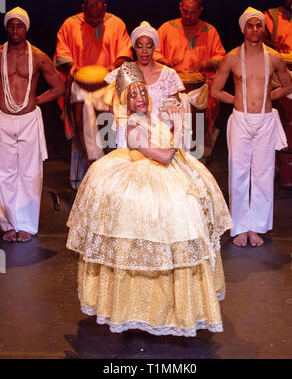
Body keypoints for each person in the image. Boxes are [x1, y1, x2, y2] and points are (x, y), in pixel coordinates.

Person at [66, 62, 232, 336]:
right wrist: (178, 125)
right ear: (125, 102)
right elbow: (166, 156)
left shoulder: (150, 120)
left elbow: (174, 149)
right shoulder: (132, 128)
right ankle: (141, 308)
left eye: (142, 92)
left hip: (168, 175)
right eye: (133, 95)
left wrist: (172, 122)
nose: (140, 98)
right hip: (146, 180)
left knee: (184, 224)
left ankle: (169, 308)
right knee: (163, 231)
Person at [211, 7, 292, 247]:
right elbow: (215, 90)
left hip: (265, 121)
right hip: (241, 120)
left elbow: (288, 87)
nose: (255, 29)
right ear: (243, 29)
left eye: (259, 25)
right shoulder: (232, 57)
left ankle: (256, 227)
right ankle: (240, 227)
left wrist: (269, 96)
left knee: (263, 173)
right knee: (238, 172)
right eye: (250, 25)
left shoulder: (275, 57)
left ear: (263, 29)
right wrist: (235, 100)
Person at [54, 0, 132, 189]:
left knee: (107, 132)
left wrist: (114, 66)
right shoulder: (70, 24)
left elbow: (124, 53)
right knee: (83, 131)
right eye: (91, 17)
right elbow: (62, 54)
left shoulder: (116, 23)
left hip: (108, 87)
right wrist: (72, 67)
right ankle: (82, 181)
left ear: (105, 8)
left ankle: (108, 180)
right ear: (83, 10)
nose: (96, 21)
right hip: (80, 89)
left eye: (99, 17)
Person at [0, 7, 64, 242]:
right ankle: (7, 224)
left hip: (28, 120)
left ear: (26, 28)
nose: (15, 30)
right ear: (6, 28)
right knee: (3, 174)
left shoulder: (38, 56)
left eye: (20, 26)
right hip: (3, 119)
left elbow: (59, 88)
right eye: (11, 25)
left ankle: (26, 225)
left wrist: (35, 100)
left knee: (29, 174)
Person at [153, 0, 226, 156]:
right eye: (185, 11)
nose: (188, 15)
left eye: (193, 12)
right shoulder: (167, 28)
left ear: (200, 10)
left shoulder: (209, 30)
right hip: (173, 90)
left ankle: (197, 158)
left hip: (200, 90)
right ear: (180, 7)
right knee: (172, 127)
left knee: (198, 127)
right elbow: (152, 52)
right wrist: (165, 61)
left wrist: (205, 63)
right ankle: (173, 156)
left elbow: (222, 56)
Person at [104, 21, 186, 148]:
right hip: (131, 134)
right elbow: (112, 108)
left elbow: (175, 109)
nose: (144, 51)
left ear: (154, 47)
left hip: (159, 135)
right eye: (140, 46)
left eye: (148, 46)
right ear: (134, 47)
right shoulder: (123, 73)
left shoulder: (168, 74)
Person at [264, 0, 292, 187]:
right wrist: (274, 45)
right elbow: (259, 38)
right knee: (282, 124)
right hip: (281, 74)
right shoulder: (272, 15)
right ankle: (280, 172)